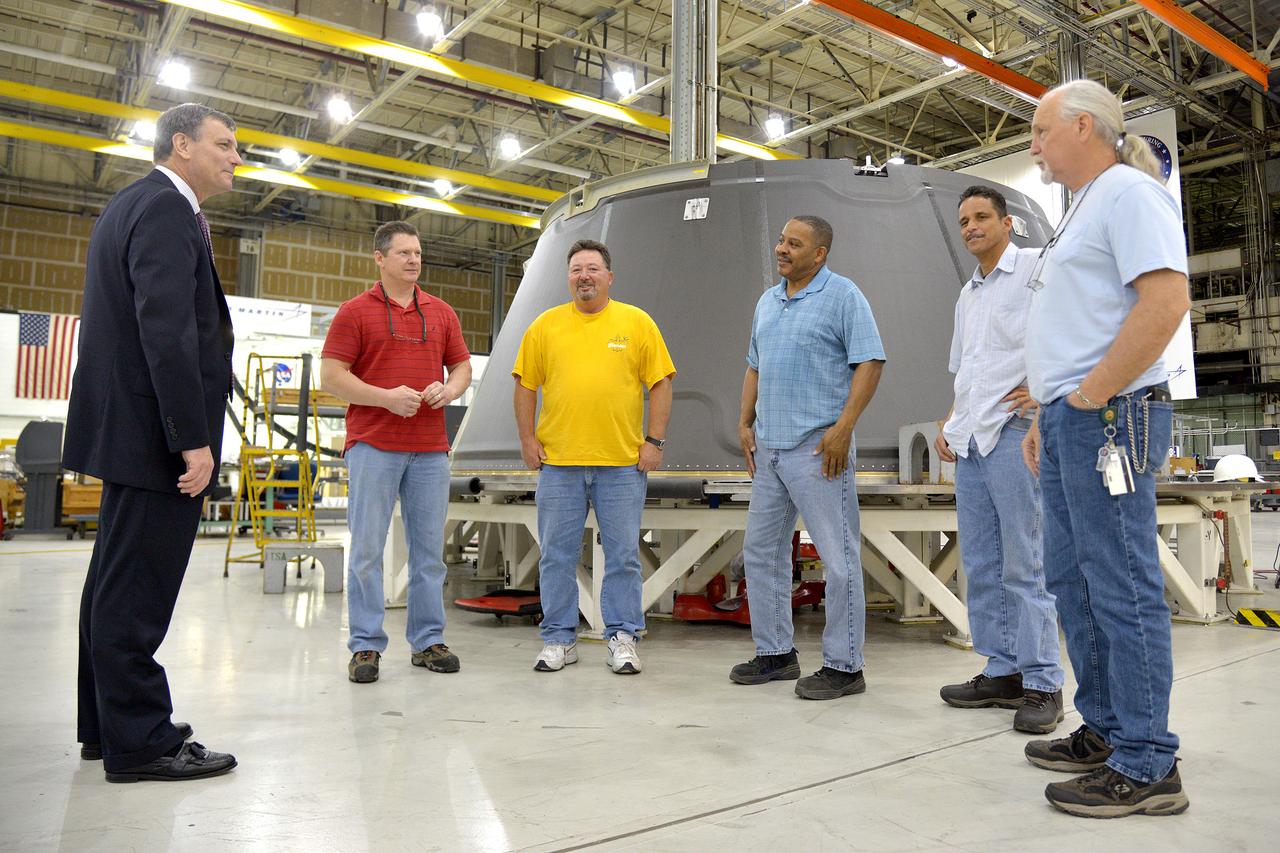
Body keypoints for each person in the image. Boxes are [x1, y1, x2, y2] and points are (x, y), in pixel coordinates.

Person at [1020, 79, 1191, 818]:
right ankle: (1110, 727)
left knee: (1119, 585)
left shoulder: (1126, 193)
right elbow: (1075, 323)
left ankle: (1149, 759)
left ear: (1083, 125)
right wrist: (1047, 411)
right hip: (1070, 418)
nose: (1031, 147)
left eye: (1038, 131)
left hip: (1110, 415)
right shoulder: (1084, 208)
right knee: (1074, 581)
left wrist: (1090, 396)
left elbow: (1165, 302)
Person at [64, 103, 241, 782]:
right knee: (138, 591)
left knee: (112, 583)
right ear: (181, 144)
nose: (233, 157)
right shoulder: (167, 210)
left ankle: (105, 725)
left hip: (127, 430)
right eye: (223, 144)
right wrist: (191, 439)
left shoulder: (129, 205)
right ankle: (142, 739)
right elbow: (166, 330)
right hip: (154, 439)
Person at [730, 215, 885, 700]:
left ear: (819, 254)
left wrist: (844, 429)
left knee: (838, 560)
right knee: (761, 553)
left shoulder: (842, 295)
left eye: (793, 244)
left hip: (819, 450)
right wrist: (744, 421)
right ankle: (776, 653)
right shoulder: (768, 300)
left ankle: (845, 665)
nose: (782, 249)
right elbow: (754, 365)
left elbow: (870, 361)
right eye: (780, 240)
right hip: (771, 450)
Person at [934, 186, 1065, 733]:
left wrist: (1045, 391)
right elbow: (966, 368)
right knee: (983, 562)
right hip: (971, 440)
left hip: (1015, 434)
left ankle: (1043, 681)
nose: (971, 227)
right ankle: (1002, 667)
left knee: (1025, 561)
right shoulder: (969, 294)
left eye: (981, 217)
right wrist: (951, 420)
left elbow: (1070, 330)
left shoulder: (1037, 268)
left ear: (1008, 223)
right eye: (964, 220)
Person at [512, 239, 675, 675]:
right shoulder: (544, 327)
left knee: (623, 556)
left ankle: (622, 636)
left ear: (609, 276)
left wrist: (654, 442)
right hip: (559, 464)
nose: (584, 276)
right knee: (556, 556)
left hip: (621, 465)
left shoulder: (636, 323)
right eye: (576, 269)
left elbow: (660, 382)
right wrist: (527, 439)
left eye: (593, 269)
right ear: (568, 277)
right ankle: (558, 639)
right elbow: (526, 385)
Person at [320, 221, 472, 684]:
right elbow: (331, 376)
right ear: (379, 259)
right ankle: (365, 645)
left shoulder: (441, 312)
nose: (413, 260)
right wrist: (385, 397)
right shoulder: (354, 312)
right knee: (366, 549)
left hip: (429, 449)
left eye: (418, 253)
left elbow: (462, 365)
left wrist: (449, 390)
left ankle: (428, 640)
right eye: (404, 253)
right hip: (373, 445)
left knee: (429, 553)